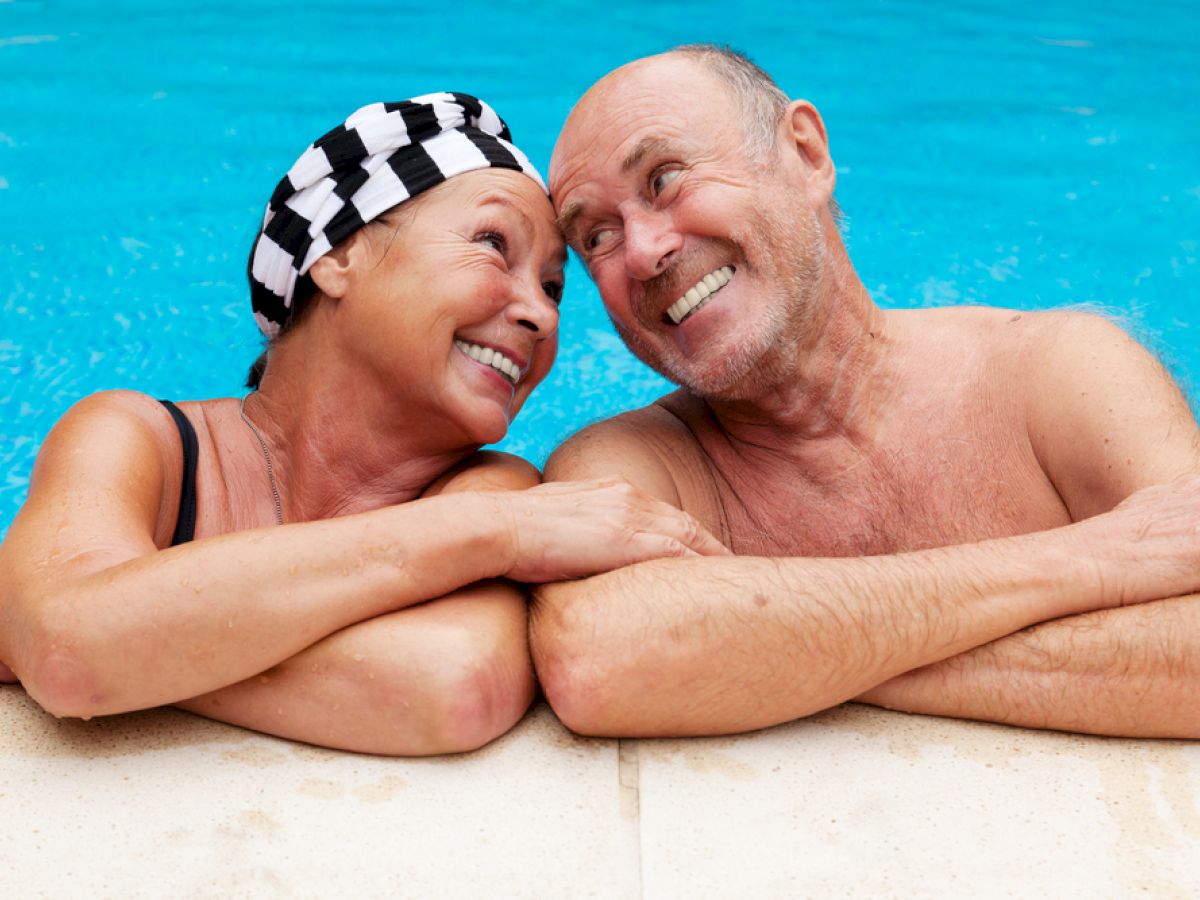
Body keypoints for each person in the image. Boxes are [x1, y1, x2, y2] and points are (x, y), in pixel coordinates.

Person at [0, 93, 726, 755]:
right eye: (492, 244)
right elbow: (71, 646)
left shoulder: (488, 486)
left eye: (553, 286)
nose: (540, 314)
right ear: (339, 255)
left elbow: (448, 687)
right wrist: (500, 536)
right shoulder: (137, 440)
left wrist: (126, 651)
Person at [530, 46, 1200, 740]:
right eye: (597, 236)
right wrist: (1093, 560)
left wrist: (781, 654)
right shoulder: (634, 466)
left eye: (665, 179)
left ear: (806, 153)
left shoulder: (1060, 375)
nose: (642, 252)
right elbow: (599, 660)